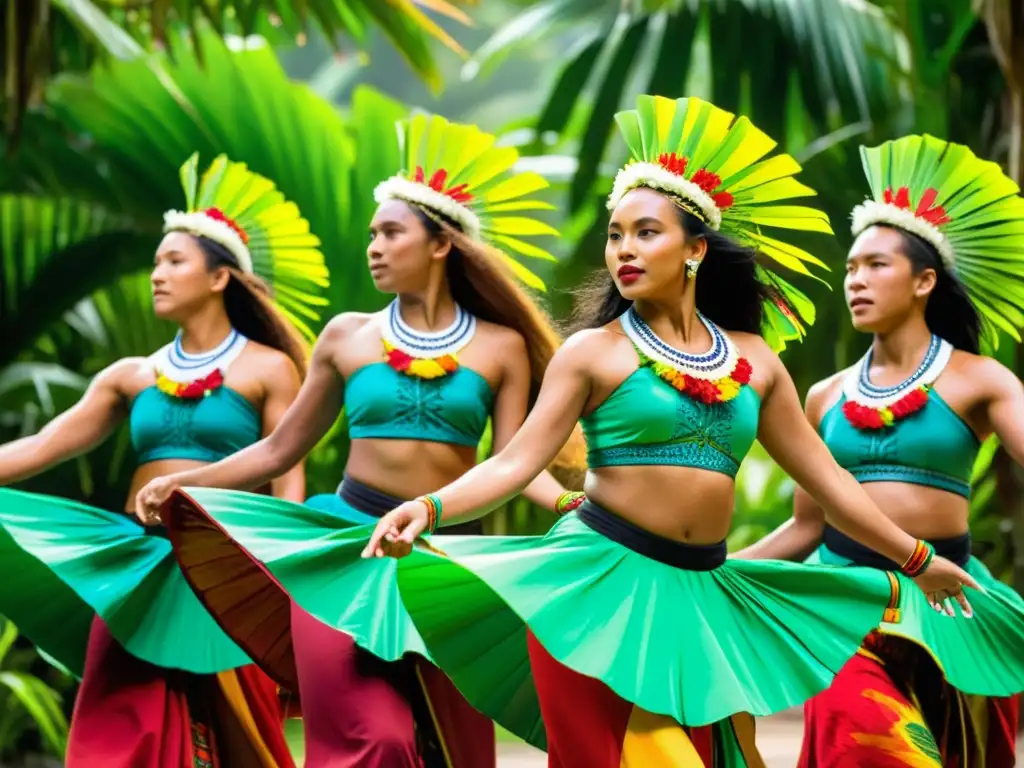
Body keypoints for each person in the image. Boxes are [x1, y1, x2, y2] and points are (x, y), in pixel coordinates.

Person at [310, 96, 981, 768]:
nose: (623, 250)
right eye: (615, 234)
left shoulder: (755, 362)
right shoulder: (592, 353)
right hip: (593, 589)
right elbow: (513, 465)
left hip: (700, 595)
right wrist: (426, 508)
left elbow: (830, 482)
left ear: (694, 251)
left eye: (645, 233)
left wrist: (917, 561)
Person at [135, 113, 583, 768]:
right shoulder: (347, 336)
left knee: (458, 753)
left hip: (448, 560)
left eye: (390, 233)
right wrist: (187, 480)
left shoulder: (501, 346)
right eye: (372, 233)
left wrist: (572, 507)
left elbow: (515, 461)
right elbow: (279, 450)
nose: (372, 245)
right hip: (345, 549)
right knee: (375, 740)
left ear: (439, 246)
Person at [0, 153, 327, 767]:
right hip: (136, 560)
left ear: (219, 278)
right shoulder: (131, 375)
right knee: (117, 710)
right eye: (156, 262)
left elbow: (287, 470)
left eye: (174, 261)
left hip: (226, 560)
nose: (157, 274)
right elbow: (44, 445)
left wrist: (283, 568)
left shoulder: (267, 368)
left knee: (240, 727)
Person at [736, 134, 1024, 767]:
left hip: (950, 600)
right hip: (843, 605)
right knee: (868, 745)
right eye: (849, 268)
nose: (856, 281)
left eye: (876, 266)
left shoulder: (981, 379)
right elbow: (806, 526)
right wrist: (718, 571)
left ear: (925, 281)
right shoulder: (824, 395)